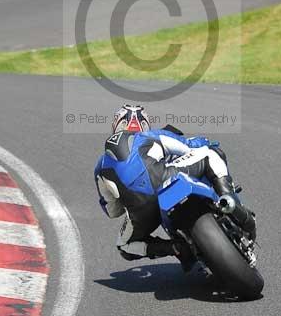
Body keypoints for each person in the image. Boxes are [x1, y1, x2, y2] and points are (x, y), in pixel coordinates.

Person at [94, 104, 256, 268]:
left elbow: (112, 211)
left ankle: (175, 248)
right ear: (144, 124)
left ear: (116, 126)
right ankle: (230, 201)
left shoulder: (100, 166)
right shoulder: (151, 135)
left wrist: (127, 196)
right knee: (210, 152)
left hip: (142, 211)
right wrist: (205, 142)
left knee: (124, 246)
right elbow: (187, 146)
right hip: (167, 178)